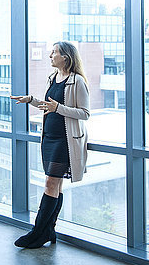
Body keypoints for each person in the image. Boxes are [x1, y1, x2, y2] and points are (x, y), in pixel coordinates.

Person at [11, 41, 90, 249]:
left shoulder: (77, 81)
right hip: (49, 138)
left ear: (65, 56)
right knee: (56, 185)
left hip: (65, 141)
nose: (50, 56)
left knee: (50, 184)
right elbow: (49, 107)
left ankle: (38, 233)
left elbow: (85, 113)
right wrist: (31, 100)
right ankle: (49, 230)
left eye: (53, 52)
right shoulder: (52, 78)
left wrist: (59, 108)